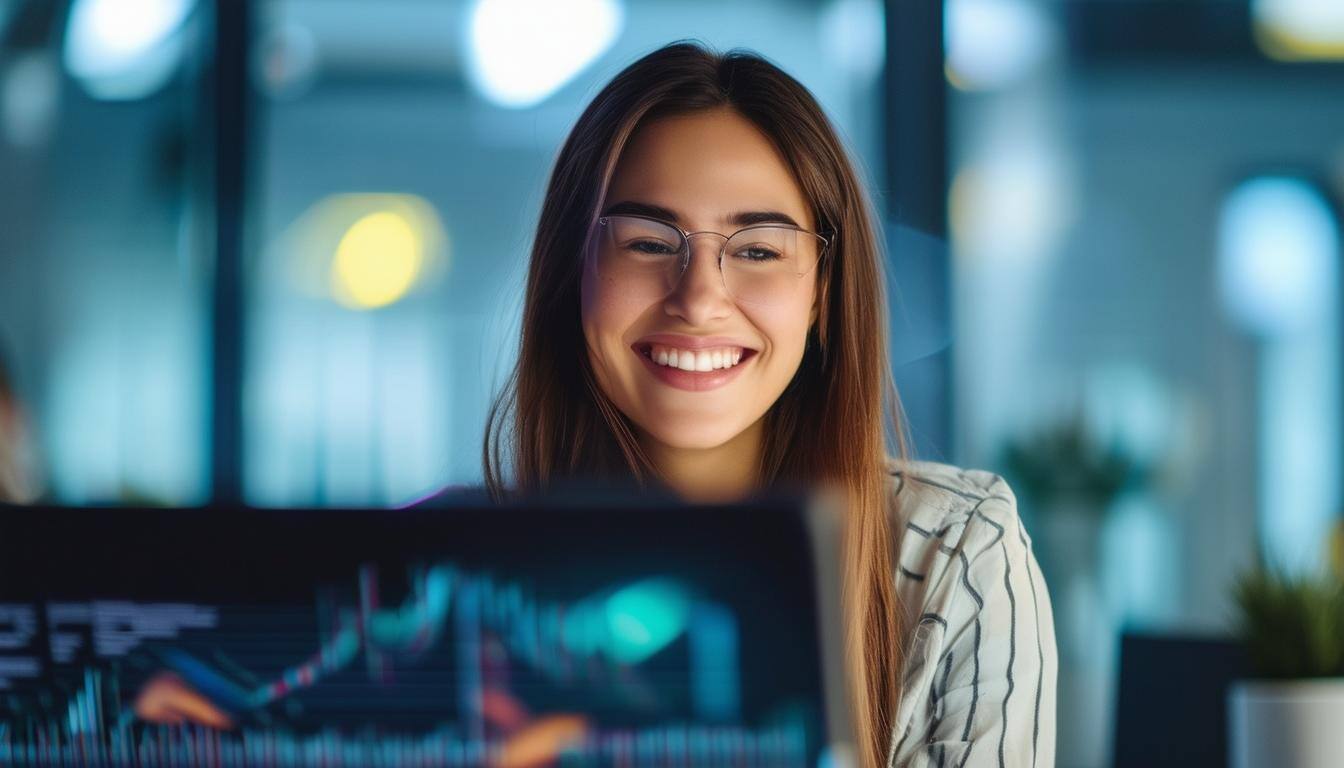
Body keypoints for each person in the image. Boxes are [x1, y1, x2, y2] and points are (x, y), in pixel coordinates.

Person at [484, 42, 1057, 768]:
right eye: (648, 243)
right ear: (575, 274)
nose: (698, 300)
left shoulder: (957, 554)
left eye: (757, 250)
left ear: (822, 290)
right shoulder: (461, 576)